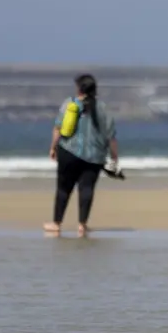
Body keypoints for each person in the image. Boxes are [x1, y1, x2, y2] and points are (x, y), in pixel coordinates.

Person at [45, 74, 119, 238]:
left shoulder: (70, 103)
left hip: (68, 151)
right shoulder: (103, 108)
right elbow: (111, 136)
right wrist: (114, 157)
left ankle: (56, 224)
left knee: (63, 188)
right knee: (87, 188)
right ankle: (82, 225)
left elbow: (58, 127)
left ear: (79, 88)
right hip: (95, 156)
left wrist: (53, 147)